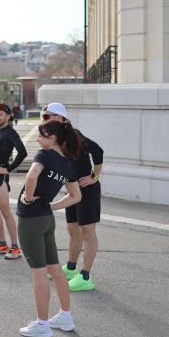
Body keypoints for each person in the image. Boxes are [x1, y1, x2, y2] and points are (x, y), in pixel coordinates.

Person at [15, 121, 82, 337]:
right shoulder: (68, 163)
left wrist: (27, 198)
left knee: (38, 272)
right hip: (46, 218)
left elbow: (31, 176)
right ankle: (65, 317)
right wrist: (51, 205)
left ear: (52, 138)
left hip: (31, 219)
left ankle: (42, 325)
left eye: (41, 136)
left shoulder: (44, 156)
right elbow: (76, 196)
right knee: (54, 269)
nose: (38, 140)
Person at [41, 102, 104, 292]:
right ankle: (70, 267)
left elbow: (98, 151)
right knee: (72, 229)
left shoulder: (74, 135)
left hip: (87, 190)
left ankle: (85, 276)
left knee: (87, 232)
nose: (44, 120)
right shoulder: (55, 138)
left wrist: (95, 177)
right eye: (43, 117)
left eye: (47, 116)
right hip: (73, 190)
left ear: (60, 118)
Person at [0, 103, 27, 260]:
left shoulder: (10, 132)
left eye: (0, 114)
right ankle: (2, 244)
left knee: (5, 212)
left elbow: (23, 152)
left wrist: (8, 169)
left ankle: (15, 248)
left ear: (8, 117)